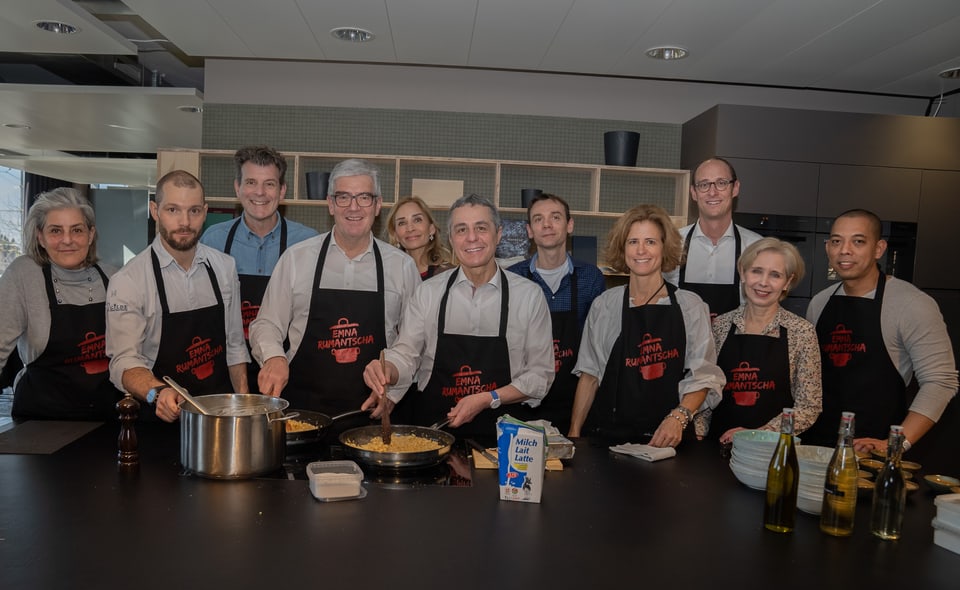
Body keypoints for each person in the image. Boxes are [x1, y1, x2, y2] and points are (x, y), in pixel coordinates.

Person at [362, 194, 555, 440]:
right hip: (434, 436)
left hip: (502, 439)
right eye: (461, 230)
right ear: (452, 238)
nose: (472, 237)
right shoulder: (428, 293)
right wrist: (387, 367)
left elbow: (540, 375)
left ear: (498, 234)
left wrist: (490, 398)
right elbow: (407, 354)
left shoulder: (528, 296)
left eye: (481, 228)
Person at [249, 159, 421, 423]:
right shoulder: (296, 259)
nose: (353, 207)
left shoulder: (402, 267)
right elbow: (267, 324)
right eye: (343, 197)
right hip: (301, 415)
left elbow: (412, 343)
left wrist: (395, 390)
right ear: (330, 203)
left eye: (364, 197)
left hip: (371, 416)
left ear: (377, 205)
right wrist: (273, 357)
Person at [569, 204, 725, 447]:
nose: (641, 250)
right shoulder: (605, 305)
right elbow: (590, 376)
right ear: (623, 248)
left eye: (650, 241)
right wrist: (574, 433)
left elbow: (703, 377)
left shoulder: (690, 306)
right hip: (608, 439)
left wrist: (678, 417)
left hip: (668, 440)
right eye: (633, 242)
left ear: (665, 247)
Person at [805, 209, 957, 451]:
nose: (844, 250)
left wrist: (895, 444)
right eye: (836, 241)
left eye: (858, 241)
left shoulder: (912, 304)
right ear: (827, 248)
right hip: (815, 446)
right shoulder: (819, 303)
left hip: (874, 450)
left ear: (879, 248)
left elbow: (941, 382)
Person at [105, 170, 249, 422]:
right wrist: (157, 392)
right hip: (160, 419)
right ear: (154, 210)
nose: (184, 222)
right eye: (173, 210)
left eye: (193, 211)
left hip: (219, 418)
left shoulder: (224, 267)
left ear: (204, 212)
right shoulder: (129, 280)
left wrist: (246, 411)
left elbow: (235, 346)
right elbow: (123, 362)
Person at [200, 146, 318, 392]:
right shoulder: (214, 240)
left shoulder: (308, 243)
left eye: (270, 184)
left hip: (286, 368)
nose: (260, 193)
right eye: (251, 182)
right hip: (227, 369)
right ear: (237, 188)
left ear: (282, 190)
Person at [0, 188, 122, 420]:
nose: (67, 240)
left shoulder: (114, 277)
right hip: (40, 422)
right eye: (55, 231)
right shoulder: (24, 275)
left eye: (77, 230)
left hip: (106, 418)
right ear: (40, 236)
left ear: (90, 234)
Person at [695, 238, 822, 443]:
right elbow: (706, 389)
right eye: (756, 271)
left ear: (787, 282)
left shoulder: (801, 332)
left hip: (770, 450)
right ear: (743, 273)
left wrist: (759, 434)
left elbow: (809, 406)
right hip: (716, 446)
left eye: (775, 275)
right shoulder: (720, 325)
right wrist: (699, 431)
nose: (763, 282)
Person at [506, 193, 605, 432]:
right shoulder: (512, 278)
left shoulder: (591, 278)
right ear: (530, 230)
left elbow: (597, 347)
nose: (547, 225)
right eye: (538, 219)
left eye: (555, 217)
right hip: (522, 398)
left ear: (569, 225)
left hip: (574, 400)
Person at [665, 157, 762, 319]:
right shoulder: (673, 243)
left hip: (736, 342)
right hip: (684, 342)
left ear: (735, 188)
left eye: (721, 183)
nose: (712, 192)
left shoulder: (756, 247)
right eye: (703, 184)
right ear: (694, 193)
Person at [385, 195, 454, 279]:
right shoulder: (386, 276)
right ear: (395, 235)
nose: (410, 228)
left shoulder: (449, 275)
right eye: (402, 223)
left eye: (417, 220)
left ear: (431, 229)